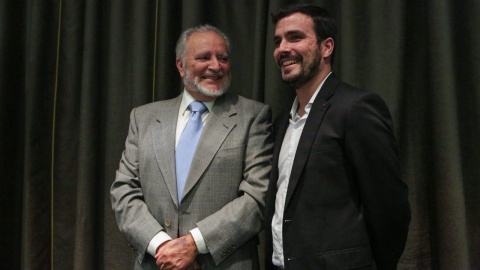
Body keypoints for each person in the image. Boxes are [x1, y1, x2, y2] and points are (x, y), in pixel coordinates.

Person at [111, 24, 273, 270]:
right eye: (204, 57)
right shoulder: (143, 118)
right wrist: (163, 247)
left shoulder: (253, 117)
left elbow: (257, 197)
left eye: (223, 58)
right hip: (158, 263)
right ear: (180, 65)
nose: (216, 66)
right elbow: (124, 190)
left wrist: (194, 244)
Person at [264, 4, 411, 270]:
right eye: (278, 41)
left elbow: (390, 210)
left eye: (295, 37)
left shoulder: (356, 108)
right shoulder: (281, 122)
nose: (282, 48)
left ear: (326, 47)